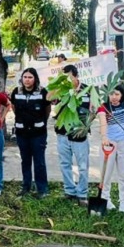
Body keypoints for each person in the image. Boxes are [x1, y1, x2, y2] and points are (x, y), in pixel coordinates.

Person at [53, 64, 91, 206]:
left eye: (68, 77)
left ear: (76, 76)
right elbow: (48, 98)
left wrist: (87, 126)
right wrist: (57, 86)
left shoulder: (87, 90)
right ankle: (69, 191)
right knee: (65, 164)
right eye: (64, 78)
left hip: (79, 135)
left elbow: (94, 110)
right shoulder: (61, 90)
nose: (66, 81)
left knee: (82, 166)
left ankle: (82, 193)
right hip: (62, 133)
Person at [10, 68, 51, 198]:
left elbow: (47, 110)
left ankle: (42, 189)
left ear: (35, 79)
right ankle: (26, 186)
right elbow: (14, 108)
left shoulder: (42, 91)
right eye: (25, 77)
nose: (27, 80)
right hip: (22, 133)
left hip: (38, 133)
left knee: (39, 162)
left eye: (30, 77)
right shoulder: (16, 92)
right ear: (21, 79)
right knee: (25, 160)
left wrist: (40, 122)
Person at [96, 85, 124, 212]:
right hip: (109, 143)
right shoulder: (104, 107)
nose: (114, 97)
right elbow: (103, 123)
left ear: (122, 95)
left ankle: (123, 201)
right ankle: (105, 198)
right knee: (106, 172)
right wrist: (104, 138)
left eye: (117, 94)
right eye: (112, 94)